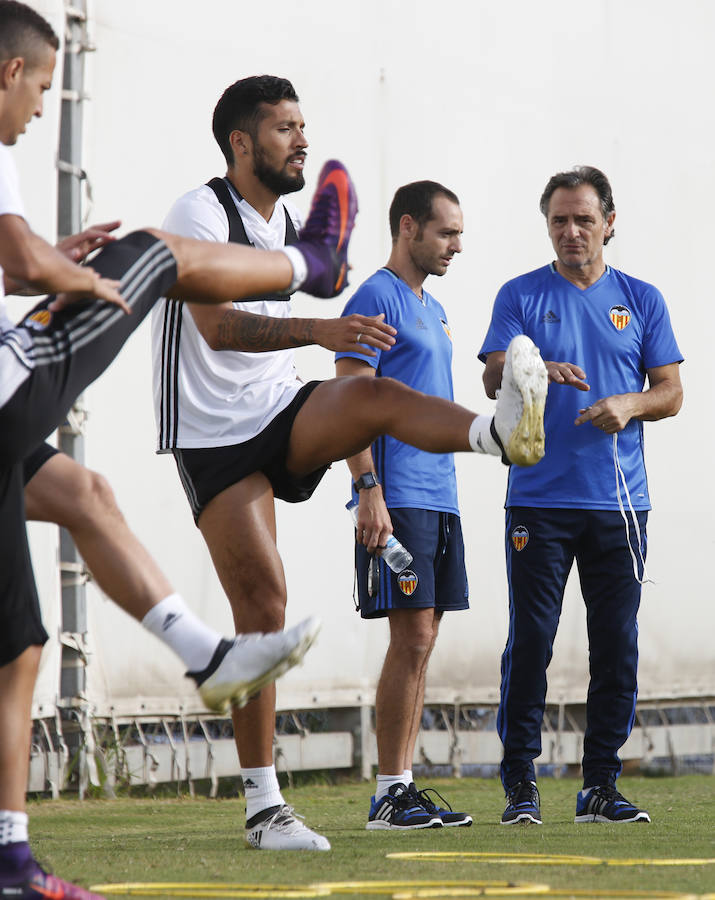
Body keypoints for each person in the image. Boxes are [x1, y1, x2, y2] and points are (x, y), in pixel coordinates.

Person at [0, 2, 366, 894]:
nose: (44, 107)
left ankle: (11, 856)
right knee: (156, 256)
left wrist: (49, 258)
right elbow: (17, 257)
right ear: (10, 73)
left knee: (72, 529)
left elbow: (13, 259)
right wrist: (79, 275)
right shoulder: (195, 202)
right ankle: (311, 262)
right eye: (43, 86)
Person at [151, 76, 548, 850]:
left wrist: (321, 320)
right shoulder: (199, 213)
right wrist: (322, 330)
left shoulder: (289, 225)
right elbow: (217, 328)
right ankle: (266, 809)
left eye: (304, 125)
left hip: (275, 408)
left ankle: (494, 435)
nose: (302, 140)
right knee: (264, 608)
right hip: (212, 436)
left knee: (372, 397)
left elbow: (302, 332)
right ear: (241, 143)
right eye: (284, 129)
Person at [479, 165, 683, 826]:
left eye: (582, 220)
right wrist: (526, 366)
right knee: (532, 640)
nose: (569, 232)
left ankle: (600, 785)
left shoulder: (641, 298)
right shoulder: (519, 294)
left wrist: (629, 403)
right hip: (536, 500)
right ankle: (520, 785)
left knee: (614, 645)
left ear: (608, 223)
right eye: (558, 221)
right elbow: (489, 379)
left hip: (619, 505)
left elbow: (670, 392)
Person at [335, 181, 473, 830]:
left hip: (439, 497)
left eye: (459, 234)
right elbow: (347, 401)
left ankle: (403, 787)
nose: (455, 245)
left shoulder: (435, 309)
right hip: (396, 500)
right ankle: (386, 794)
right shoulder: (374, 297)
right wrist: (368, 491)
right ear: (408, 227)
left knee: (425, 639)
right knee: (410, 635)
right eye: (445, 233)